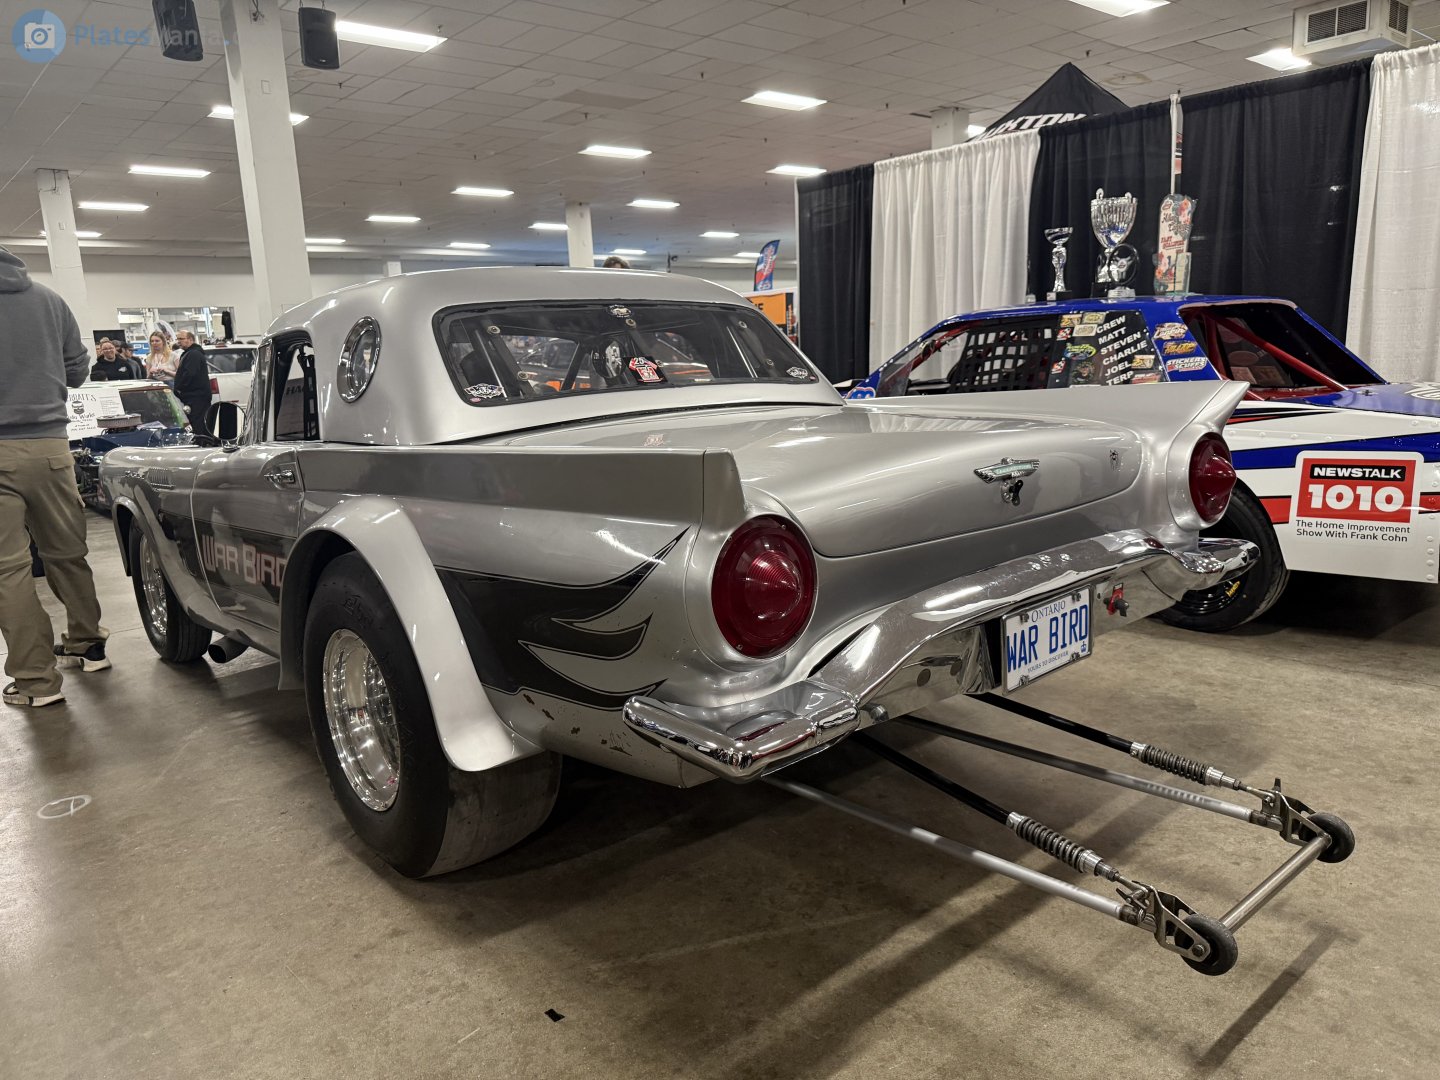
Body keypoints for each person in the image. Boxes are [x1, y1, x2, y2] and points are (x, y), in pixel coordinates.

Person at [0, 246, 110, 707]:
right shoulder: (48, 299)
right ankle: (88, 645)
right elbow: (79, 370)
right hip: (50, 447)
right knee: (67, 551)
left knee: (9, 570)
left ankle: (36, 682)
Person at [171, 329, 211, 430]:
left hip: (196, 396)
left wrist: (181, 387)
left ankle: (203, 442)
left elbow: (190, 374)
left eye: (181, 339)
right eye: (177, 339)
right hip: (193, 396)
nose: (178, 341)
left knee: (199, 422)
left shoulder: (194, 354)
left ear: (190, 339)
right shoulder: (189, 353)